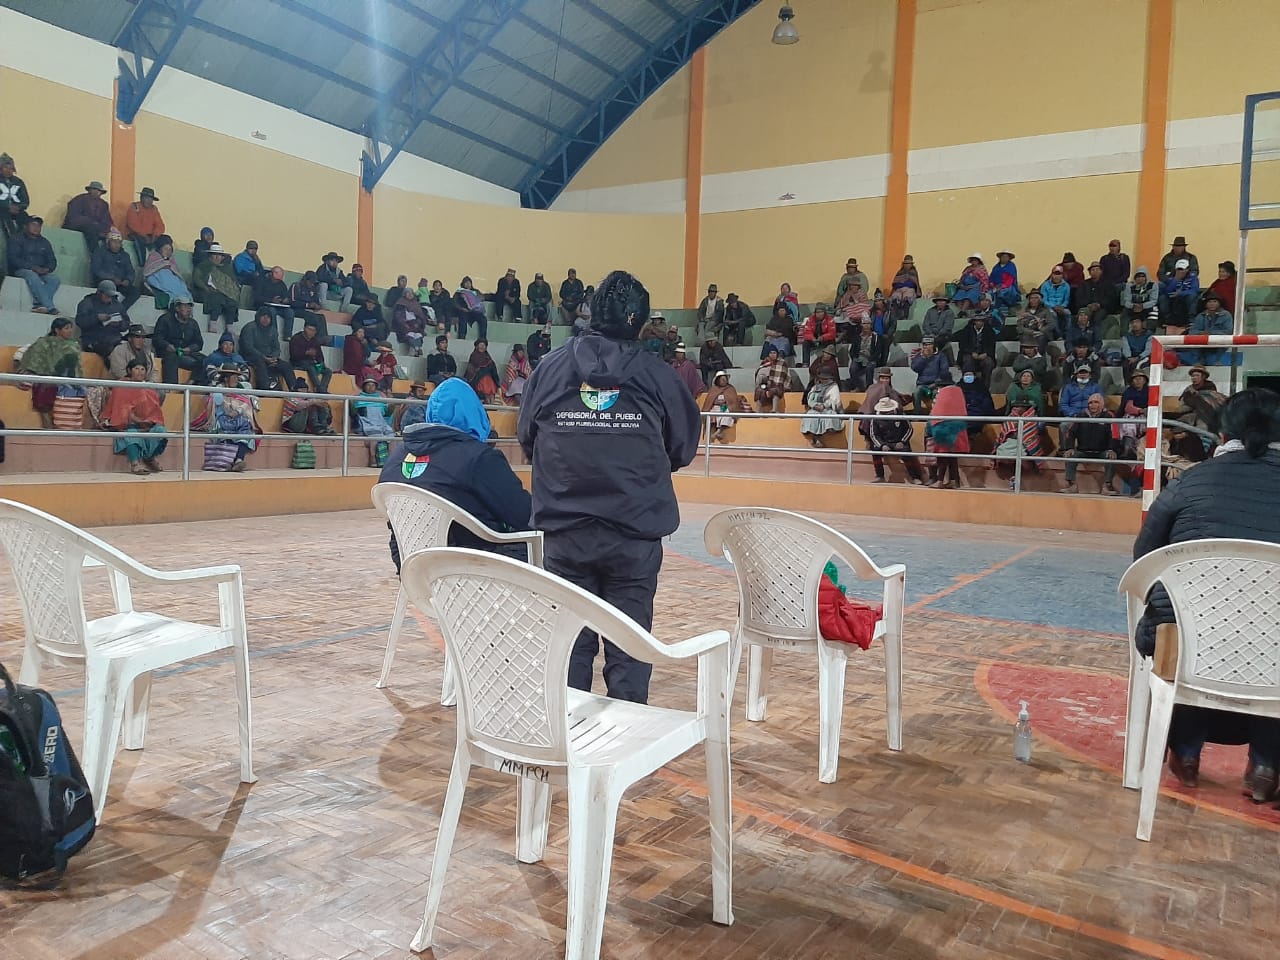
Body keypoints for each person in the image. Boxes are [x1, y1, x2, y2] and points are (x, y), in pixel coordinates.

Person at [517, 270, 699, 703]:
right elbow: (682, 447)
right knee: (630, 648)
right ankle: (622, 753)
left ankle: (570, 746)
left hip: (564, 533)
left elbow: (528, 437)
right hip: (632, 534)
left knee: (569, 646)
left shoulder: (549, 368)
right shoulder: (659, 376)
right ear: (638, 322)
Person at [1132, 388, 1280, 800]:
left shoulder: (1188, 483)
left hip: (1191, 642)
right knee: (1267, 641)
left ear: (1222, 433)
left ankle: (1186, 751)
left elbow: (1144, 560)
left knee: (1190, 629)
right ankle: (1268, 765)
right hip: (1274, 648)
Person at [380, 377, 533, 571]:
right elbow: (524, 516)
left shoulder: (395, 458)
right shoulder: (479, 458)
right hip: (473, 571)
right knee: (551, 546)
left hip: (416, 569)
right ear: (474, 412)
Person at [101, 361, 168, 476]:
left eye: (143, 369)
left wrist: (148, 422)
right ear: (129, 371)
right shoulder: (121, 386)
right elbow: (121, 409)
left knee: (161, 431)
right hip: (127, 424)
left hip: (147, 424)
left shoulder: (150, 388)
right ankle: (135, 464)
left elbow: (154, 411)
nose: (140, 372)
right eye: (137, 368)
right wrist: (136, 420)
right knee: (131, 434)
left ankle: (150, 458)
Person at [18, 318, 81, 428]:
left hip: (65, 376)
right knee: (44, 386)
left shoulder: (73, 345)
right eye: (67, 328)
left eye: (71, 328)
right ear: (57, 330)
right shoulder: (43, 342)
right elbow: (34, 360)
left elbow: (75, 367)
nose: (70, 331)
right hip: (41, 374)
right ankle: (47, 424)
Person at [198, 367, 259, 471]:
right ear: (226, 378)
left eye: (237, 377)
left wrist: (238, 411)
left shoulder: (242, 390)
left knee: (246, 428)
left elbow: (248, 404)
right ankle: (228, 461)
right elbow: (214, 408)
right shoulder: (217, 390)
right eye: (234, 377)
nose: (236, 380)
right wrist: (227, 412)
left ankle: (239, 460)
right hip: (222, 418)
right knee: (224, 427)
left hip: (239, 418)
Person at [1060, 392, 1120, 494]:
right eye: (1090, 403)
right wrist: (1069, 448)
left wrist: (1111, 449)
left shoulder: (1109, 416)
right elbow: (1070, 433)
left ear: (1101, 404)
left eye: (1096, 402)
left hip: (1102, 452)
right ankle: (1072, 485)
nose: (1092, 405)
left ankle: (1107, 486)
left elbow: (1114, 435)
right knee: (1070, 456)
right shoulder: (1081, 416)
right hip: (1083, 451)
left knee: (1111, 457)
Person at [7, 216, 60, 314]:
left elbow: (52, 260)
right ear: (25, 226)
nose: (36, 227)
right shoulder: (16, 239)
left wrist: (47, 269)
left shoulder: (45, 242)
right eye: (33, 224)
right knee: (32, 276)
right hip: (21, 269)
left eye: (39, 225)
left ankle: (39, 304)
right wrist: (32, 267)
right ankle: (50, 307)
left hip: (41, 271)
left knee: (54, 279)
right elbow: (13, 259)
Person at [152, 295, 208, 386]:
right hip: (168, 352)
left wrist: (190, 349)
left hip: (185, 353)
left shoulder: (193, 323)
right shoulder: (165, 319)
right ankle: (171, 387)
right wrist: (167, 345)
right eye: (185, 306)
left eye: (190, 306)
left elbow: (199, 343)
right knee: (172, 358)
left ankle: (192, 383)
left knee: (204, 360)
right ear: (177, 308)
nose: (188, 309)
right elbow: (157, 339)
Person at [867, 396, 925, 484]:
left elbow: (909, 429)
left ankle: (914, 477)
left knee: (907, 453)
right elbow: (874, 434)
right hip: (885, 443)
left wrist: (902, 441)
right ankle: (880, 476)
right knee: (875, 452)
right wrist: (882, 445)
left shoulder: (900, 415)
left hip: (899, 442)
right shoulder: (875, 418)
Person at [924, 384, 968, 489]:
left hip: (943, 431)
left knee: (943, 456)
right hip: (956, 431)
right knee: (952, 458)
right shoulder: (957, 397)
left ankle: (939, 481)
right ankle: (953, 481)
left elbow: (934, 417)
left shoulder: (941, 399)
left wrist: (929, 432)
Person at [240, 308, 295, 391]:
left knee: (286, 366)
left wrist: (274, 357)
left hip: (269, 358)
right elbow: (248, 347)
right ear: (258, 317)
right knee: (260, 363)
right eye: (263, 316)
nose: (266, 319)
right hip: (252, 357)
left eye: (268, 317)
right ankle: (264, 390)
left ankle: (294, 389)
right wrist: (264, 358)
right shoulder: (249, 328)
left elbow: (276, 348)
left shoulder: (273, 330)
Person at [192, 243, 241, 333]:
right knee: (217, 298)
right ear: (210, 256)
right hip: (207, 291)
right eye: (214, 255)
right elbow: (196, 278)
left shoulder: (227, 268)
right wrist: (205, 287)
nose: (217, 257)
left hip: (225, 293)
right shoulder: (203, 266)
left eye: (219, 255)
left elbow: (233, 282)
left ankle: (229, 326)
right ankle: (213, 323)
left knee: (232, 301)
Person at [75, 281, 131, 358]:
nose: (109, 298)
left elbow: (126, 324)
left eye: (111, 296)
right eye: (107, 296)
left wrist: (119, 324)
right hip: (93, 340)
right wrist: (97, 318)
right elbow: (80, 321)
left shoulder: (117, 305)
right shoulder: (87, 303)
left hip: (114, 339)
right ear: (99, 293)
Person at [91, 228, 141, 312]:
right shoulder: (99, 252)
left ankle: (119, 310)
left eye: (119, 242)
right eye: (114, 242)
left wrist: (128, 280)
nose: (117, 245)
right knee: (109, 289)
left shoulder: (125, 255)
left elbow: (130, 271)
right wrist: (112, 278)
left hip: (120, 283)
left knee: (135, 291)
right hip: (104, 282)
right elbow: (96, 270)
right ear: (108, 242)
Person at [63, 179, 113, 252]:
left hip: (97, 228)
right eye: (94, 189)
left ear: (101, 193)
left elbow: (107, 220)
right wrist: (90, 222)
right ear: (89, 190)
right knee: (92, 230)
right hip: (79, 226)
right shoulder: (80, 199)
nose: (96, 191)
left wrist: (104, 229)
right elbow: (73, 216)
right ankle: (95, 253)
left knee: (113, 237)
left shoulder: (104, 204)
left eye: (99, 190)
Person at [801, 365, 844, 448]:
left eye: (826, 378)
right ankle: (815, 438)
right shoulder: (815, 387)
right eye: (822, 378)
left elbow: (834, 400)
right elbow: (810, 399)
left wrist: (824, 406)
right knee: (811, 415)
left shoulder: (834, 386)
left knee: (827, 416)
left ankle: (818, 438)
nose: (824, 380)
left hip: (828, 409)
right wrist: (814, 405)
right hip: (815, 408)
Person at [142, 235, 193, 304]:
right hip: (157, 278)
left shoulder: (171, 259)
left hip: (171, 280)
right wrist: (163, 266)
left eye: (170, 249)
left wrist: (168, 267)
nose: (168, 251)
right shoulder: (154, 256)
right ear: (159, 249)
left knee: (181, 285)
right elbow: (147, 272)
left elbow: (177, 273)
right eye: (165, 249)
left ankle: (183, 297)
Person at [1188, 293, 1233, 365]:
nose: (1212, 304)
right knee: (1191, 339)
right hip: (1203, 341)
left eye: (1214, 301)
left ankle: (1218, 360)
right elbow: (1192, 331)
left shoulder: (1226, 315)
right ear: (1205, 304)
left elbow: (1228, 331)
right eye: (1209, 302)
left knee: (1226, 340)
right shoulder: (1201, 316)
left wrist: (1211, 333)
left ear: (1219, 303)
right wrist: (1201, 333)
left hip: (1219, 341)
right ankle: (1199, 361)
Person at [290, 319, 332, 393]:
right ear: (304, 328)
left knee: (328, 371)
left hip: (312, 362)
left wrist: (321, 364)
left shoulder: (315, 341)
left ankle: (323, 388)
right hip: (298, 362)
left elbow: (320, 356)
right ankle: (319, 388)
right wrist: (306, 353)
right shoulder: (296, 338)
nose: (311, 332)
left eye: (313, 331)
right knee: (311, 368)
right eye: (310, 329)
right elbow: (293, 354)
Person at [1160, 259, 1201, 333]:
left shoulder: (1193, 278)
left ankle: (1191, 320)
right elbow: (1167, 291)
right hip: (1173, 298)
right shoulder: (1171, 277)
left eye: (1182, 269)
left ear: (1187, 269)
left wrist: (1181, 293)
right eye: (1178, 269)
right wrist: (1176, 279)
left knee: (1192, 296)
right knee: (1163, 298)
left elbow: (1195, 290)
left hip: (1186, 297)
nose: (1180, 271)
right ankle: (1167, 319)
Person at [955, 312, 996, 387]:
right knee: (968, 360)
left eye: (981, 321)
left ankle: (985, 387)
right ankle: (967, 385)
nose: (979, 323)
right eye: (977, 321)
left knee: (988, 362)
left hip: (984, 354)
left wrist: (986, 353)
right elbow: (962, 345)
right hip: (969, 354)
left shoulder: (989, 331)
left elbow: (992, 346)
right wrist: (971, 352)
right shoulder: (966, 330)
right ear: (974, 321)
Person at [253, 266, 295, 336]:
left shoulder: (281, 284)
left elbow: (285, 296)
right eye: (276, 279)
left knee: (290, 312)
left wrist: (284, 300)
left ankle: (288, 335)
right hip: (263, 306)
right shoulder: (261, 281)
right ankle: (274, 333)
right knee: (272, 311)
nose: (277, 281)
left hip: (278, 306)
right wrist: (271, 300)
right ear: (271, 275)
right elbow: (257, 297)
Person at [124, 185, 165, 259]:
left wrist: (154, 235)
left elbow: (160, 226)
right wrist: (144, 235)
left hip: (151, 235)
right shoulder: (134, 206)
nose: (148, 200)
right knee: (139, 241)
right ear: (141, 198)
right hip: (136, 234)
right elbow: (132, 224)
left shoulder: (154, 209)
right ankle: (141, 264)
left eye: (150, 198)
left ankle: (164, 262)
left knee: (166, 239)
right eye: (146, 198)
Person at [1078, 261, 1119, 329]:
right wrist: (1088, 305)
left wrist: (1099, 305)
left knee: (1098, 316)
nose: (1095, 272)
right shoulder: (1084, 284)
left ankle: (1095, 334)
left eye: (1097, 269)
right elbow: (1079, 298)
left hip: (1102, 308)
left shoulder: (1108, 284)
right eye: (1093, 270)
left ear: (1101, 271)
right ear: (1089, 272)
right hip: (1087, 307)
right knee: (1083, 314)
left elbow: (1111, 298)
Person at [702, 370, 741, 443]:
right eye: (722, 379)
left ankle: (720, 431)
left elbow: (733, 402)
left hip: (726, 407)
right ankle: (709, 436)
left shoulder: (730, 388)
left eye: (725, 379)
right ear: (718, 380)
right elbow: (709, 401)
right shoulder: (713, 389)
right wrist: (716, 402)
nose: (724, 381)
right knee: (711, 414)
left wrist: (725, 402)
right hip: (715, 407)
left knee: (727, 413)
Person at [910, 337, 952, 402]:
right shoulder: (919, 356)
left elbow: (944, 372)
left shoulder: (941, 356)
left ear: (934, 345)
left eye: (929, 344)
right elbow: (915, 368)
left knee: (936, 393)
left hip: (936, 384)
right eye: (925, 345)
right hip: (922, 384)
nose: (927, 347)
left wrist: (936, 383)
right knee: (916, 393)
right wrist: (923, 358)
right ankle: (917, 412)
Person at [959, 365, 996, 438]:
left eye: (970, 375)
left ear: (975, 376)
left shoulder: (981, 388)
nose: (968, 376)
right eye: (966, 375)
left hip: (977, 416)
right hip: (961, 416)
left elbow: (987, 405)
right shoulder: (957, 388)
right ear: (963, 377)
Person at [0, 152, 31, 237]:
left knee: (26, 218)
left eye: (11, 168)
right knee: (5, 217)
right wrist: (7, 206)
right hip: (2, 210)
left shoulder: (18, 182)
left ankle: (24, 241)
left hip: (17, 210)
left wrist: (19, 207)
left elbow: (26, 200)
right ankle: (12, 239)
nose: (8, 170)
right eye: (5, 167)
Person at [290, 271, 327, 337]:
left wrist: (317, 306)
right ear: (305, 279)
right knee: (313, 317)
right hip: (297, 310)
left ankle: (323, 338)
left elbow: (317, 301)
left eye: (314, 282)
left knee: (321, 317)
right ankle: (315, 337)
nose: (312, 284)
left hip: (309, 311)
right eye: (311, 282)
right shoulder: (296, 286)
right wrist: (307, 305)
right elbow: (292, 301)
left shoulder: (313, 289)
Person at [848, 316, 880, 391]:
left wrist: (872, 359)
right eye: (864, 324)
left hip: (871, 358)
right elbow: (852, 350)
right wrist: (855, 358)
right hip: (859, 358)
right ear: (861, 325)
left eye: (868, 324)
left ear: (871, 325)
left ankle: (869, 388)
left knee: (869, 367)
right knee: (853, 368)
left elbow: (878, 351)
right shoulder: (857, 337)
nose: (866, 326)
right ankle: (857, 387)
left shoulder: (876, 337)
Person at [1122, 266, 1160, 331]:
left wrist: (1143, 306)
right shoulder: (1129, 285)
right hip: (1134, 307)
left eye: (1143, 276)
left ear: (1146, 277)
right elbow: (1126, 301)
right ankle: (1124, 334)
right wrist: (1133, 306)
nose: (1140, 278)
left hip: (1147, 307)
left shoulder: (1153, 285)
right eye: (1138, 276)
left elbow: (1154, 301)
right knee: (1124, 313)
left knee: (1154, 311)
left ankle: (1149, 333)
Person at [464, 339, 500, 404]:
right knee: (485, 379)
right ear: (477, 346)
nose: (482, 347)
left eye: (484, 345)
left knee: (488, 381)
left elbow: (493, 372)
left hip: (488, 381)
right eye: (480, 345)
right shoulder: (474, 356)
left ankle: (492, 404)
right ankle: (489, 403)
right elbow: (470, 372)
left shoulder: (488, 358)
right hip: (476, 380)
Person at [755, 348, 789, 412]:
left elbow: (782, 376)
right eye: (771, 353)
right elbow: (758, 376)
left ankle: (774, 410)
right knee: (759, 390)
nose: (772, 354)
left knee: (775, 389)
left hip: (779, 384)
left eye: (774, 353)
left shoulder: (782, 362)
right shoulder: (764, 362)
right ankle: (757, 411)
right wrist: (764, 379)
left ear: (777, 354)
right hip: (766, 384)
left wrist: (771, 382)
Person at [1040, 265, 1073, 330]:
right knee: (1053, 314)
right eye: (1055, 274)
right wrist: (1054, 306)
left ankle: (1068, 333)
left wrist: (1062, 306)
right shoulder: (1045, 285)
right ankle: (1058, 334)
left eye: (1059, 274)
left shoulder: (1066, 285)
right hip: (1048, 307)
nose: (1056, 276)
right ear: (1051, 274)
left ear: (1062, 275)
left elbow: (1066, 299)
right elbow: (1044, 300)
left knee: (1068, 313)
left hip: (1061, 307)